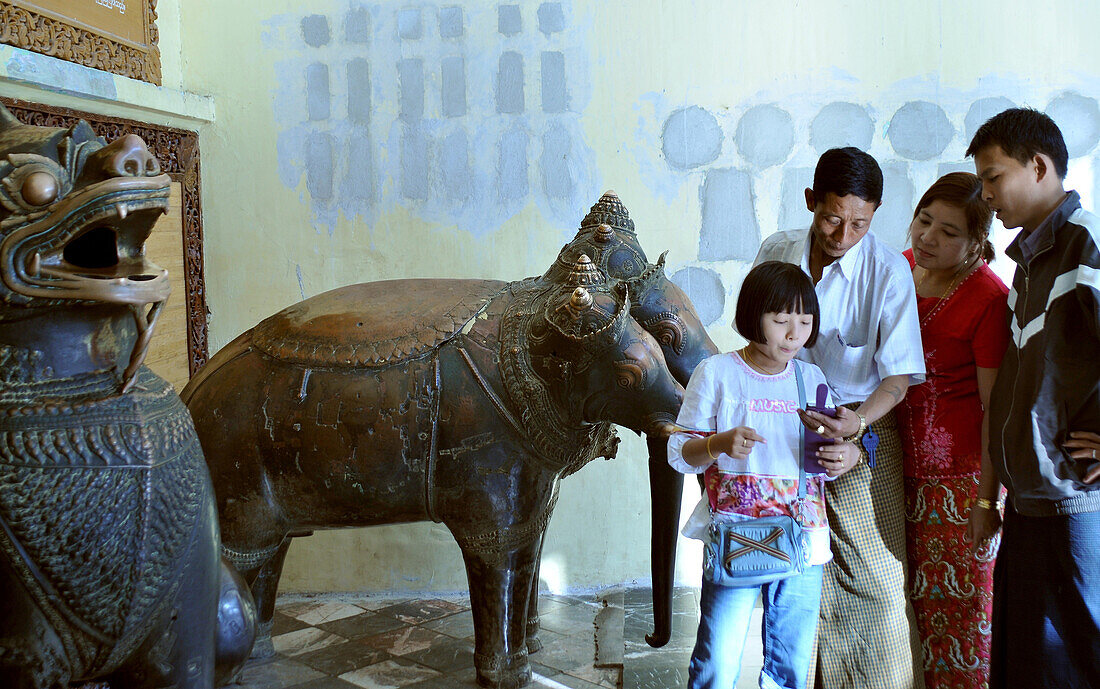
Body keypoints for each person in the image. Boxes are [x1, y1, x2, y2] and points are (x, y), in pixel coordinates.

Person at [754, 147, 927, 689]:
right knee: (791, 567)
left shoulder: (889, 271)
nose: (844, 233)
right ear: (810, 201)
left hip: (862, 429)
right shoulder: (777, 251)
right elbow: (757, 344)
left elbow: (896, 380)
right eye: (832, 217)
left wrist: (855, 429)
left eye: (860, 223)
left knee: (874, 579)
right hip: (784, 425)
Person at [668, 261, 860, 689]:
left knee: (790, 665)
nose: (795, 334)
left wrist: (843, 455)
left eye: (805, 321)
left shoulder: (812, 379)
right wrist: (717, 444)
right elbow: (680, 452)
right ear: (753, 316)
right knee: (717, 659)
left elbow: (825, 457)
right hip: (737, 536)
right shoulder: (717, 374)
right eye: (781, 320)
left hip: (804, 539)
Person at [965, 107, 1100, 688]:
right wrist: (988, 497)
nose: (986, 194)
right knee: (1023, 664)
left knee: (1087, 656)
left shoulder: (1087, 247)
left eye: (994, 177)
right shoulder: (1027, 264)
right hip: (1027, 506)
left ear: (1039, 166)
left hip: (1078, 508)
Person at [894, 172, 1009, 689]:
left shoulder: (987, 297)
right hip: (892, 469)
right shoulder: (897, 271)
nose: (927, 238)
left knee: (961, 614)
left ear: (977, 242)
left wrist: (986, 503)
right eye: (924, 221)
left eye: (948, 232)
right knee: (902, 609)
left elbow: (995, 408)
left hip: (959, 484)